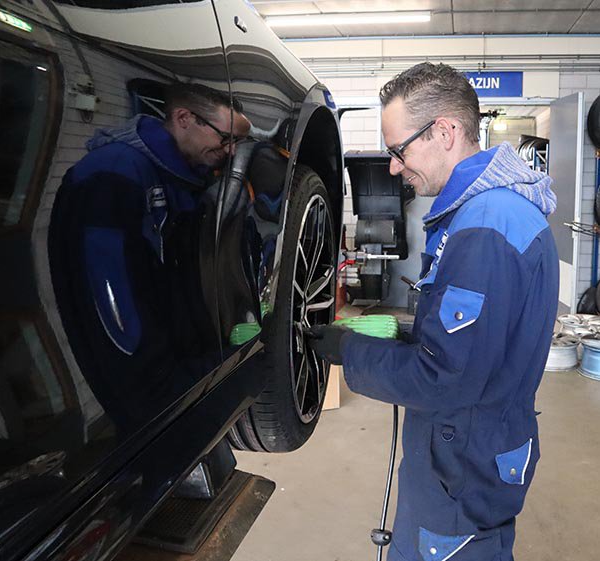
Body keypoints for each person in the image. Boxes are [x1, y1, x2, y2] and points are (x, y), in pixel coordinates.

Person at [309, 63, 559, 561]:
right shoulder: (491, 210)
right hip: (476, 450)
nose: (396, 167)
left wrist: (350, 350)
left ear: (444, 131)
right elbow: (478, 342)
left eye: (399, 151)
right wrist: (403, 335)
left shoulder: (484, 227)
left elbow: (444, 378)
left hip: (460, 469)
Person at [48, 82, 251, 426]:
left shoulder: (182, 175)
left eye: (238, 142)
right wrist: (160, 384)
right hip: (148, 389)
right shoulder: (113, 173)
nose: (232, 151)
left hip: (182, 370)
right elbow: (110, 295)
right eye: (226, 137)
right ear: (184, 118)